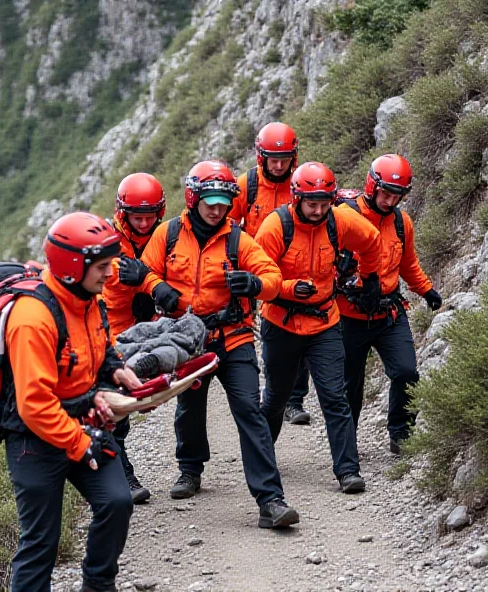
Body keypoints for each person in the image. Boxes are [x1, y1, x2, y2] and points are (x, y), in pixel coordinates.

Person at [123, 160, 300, 529]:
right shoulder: (168, 234)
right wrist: (160, 290)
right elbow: (146, 271)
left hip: (233, 337)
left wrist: (255, 285)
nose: (217, 209)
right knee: (190, 407)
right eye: (211, 201)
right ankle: (189, 470)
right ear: (193, 198)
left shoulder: (238, 240)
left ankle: (270, 499)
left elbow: (272, 275)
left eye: (223, 202)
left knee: (250, 410)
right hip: (189, 341)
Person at [2, 212, 143, 592]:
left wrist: (115, 368)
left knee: (116, 503)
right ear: (71, 267)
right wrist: (80, 443)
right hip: (35, 439)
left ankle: (98, 586)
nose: (110, 273)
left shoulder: (88, 298)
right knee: (40, 544)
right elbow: (34, 404)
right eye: (101, 266)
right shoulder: (32, 318)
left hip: (84, 422)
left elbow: (100, 342)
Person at [255, 162, 382, 493]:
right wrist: (287, 289)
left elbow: (372, 240)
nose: (319, 210)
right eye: (312, 204)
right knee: (276, 397)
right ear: (297, 199)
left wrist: (368, 277)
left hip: (324, 322)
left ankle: (347, 471)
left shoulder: (338, 220)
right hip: (280, 323)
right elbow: (257, 278)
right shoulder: (274, 227)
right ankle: (262, 459)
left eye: (325, 203)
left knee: (334, 396)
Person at [335, 154, 442, 455]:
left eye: (397, 195)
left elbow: (408, 265)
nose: (390, 200)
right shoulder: (345, 215)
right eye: (386, 193)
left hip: (389, 313)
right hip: (349, 315)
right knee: (349, 385)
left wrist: (427, 290)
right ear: (372, 185)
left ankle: (401, 433)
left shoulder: (401, 222)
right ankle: (346, 444)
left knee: (407, 371)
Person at [229, 122, 313, 426]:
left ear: (294, 157)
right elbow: (226, 225)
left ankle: (293, 400)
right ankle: (250, 383)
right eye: (273, 159)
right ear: (260, 157)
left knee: (299, 328)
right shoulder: (245, 186)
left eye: (285, 159)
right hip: (253, 270)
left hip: (294, 269)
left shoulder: (302, 184)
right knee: (248, 329)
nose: (279, 166)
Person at [102, 172, 166, 504]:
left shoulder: (168, 235)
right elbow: (107, 277)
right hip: (113, 335)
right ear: (123, 213)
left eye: (149, 216)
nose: (143, 223)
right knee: (117, 410)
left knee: (151, 397)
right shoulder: (106, 239)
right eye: (136, 217)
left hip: (149, 330)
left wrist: (146, 280)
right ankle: (121, 475)